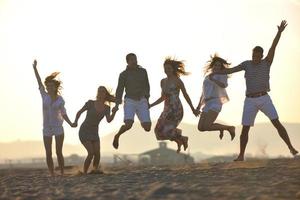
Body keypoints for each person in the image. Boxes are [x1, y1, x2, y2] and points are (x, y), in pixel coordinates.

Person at [213, 20, 298, 161]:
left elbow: (273, 46)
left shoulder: (267, 62)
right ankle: (241, 156)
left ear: (262, 56)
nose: (255, 58)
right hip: (250, 100)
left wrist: (279, 32)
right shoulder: (246, 64)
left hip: (264, 98)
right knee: (245, 128)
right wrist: (216, 72)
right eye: (253, 55)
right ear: (252, 54)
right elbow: (231, 70)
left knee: (276, 123)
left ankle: (291, 147)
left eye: (257, 56)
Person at [32, 60, 74, 176]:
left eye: (51, 86)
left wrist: (70, 123)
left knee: (58, 152)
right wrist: (35, 68)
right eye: (48, 86)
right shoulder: (44, 96)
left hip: (58, 127)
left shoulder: (60, 100)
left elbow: (64, 113)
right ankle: (52, 173)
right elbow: (39, 81)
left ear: (55, 87)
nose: (49, 87)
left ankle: (61, 172)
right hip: (46, 128)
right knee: (48, 152)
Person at [149, 57, 196, 152]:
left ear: (173, 69)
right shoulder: (162, 81)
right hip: (166, 109)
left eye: (169, 68)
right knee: (158, 131)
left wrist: (193, 109)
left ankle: (181, 139)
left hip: (176, 109)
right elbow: (162, 97)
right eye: (165, 68)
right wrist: (151, 105)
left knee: (166, 130)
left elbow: (186, 95)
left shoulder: (178, 81)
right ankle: (181, 139)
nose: (167, 70)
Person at [73, 86, 117, 174]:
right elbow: (80, 112)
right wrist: (75, 122)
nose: (100, 93)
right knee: (91, 153)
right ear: (97, 93)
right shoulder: (90, 103)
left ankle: (95, 170)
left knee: (97, 154)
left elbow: (109, 120)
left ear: (105, 94)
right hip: (84, 130)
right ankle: (84, 172)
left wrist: (114, 112)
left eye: (102, 92)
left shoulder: (106, 108)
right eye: (99, 91)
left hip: (94, 132)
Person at [112, 53, 151, 149]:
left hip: (142, 100)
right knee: (128, 124)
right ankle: (117, 135)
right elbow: (119, 89)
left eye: (135, 59)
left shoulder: (143, 71)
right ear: (128, 61)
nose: (135, 61)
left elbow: (147, 86)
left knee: (147, 128)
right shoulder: (123, 74)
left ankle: (141, 116)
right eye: (132, 60)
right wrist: (117, 104)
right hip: (130, 100)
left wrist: (147, 99)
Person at [195, 55, 235, 140]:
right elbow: (203, 93)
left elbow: (224, 85)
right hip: (207, 103)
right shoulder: (207, 77)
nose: (217, 67)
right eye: (215, 65)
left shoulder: (222, 75)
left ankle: (229, 128)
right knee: (200, 128)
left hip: (216, 102)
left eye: (219, 65)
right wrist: (198, 106)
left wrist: (214, 80)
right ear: (212, 66)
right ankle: (221, 128)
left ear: (221, 67)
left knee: (206, 126)